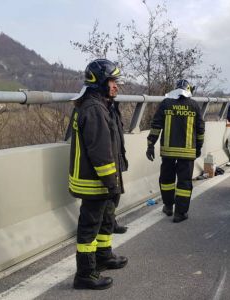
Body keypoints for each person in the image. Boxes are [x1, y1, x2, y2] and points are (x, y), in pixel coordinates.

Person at [68, 58, 128, 290]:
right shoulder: (94, 109)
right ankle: (85, 274)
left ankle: (103, 257)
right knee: (90, 227)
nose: (116, 86)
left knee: (105, 220)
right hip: (95, 181)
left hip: (103, 180)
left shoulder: (100, 104)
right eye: (112, 81)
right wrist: (112, 182)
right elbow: (100, 152)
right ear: (100, 82)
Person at [146, 79, 205, 223]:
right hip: (187, 152)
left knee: (167, 180)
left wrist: (150, 144)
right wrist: (198, 147)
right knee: (184, 183)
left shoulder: (166, 103)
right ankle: (180, 213)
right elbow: (201, 130)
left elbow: (156, 125)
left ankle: (168, 206)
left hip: (168, 152)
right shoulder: (194, 105)